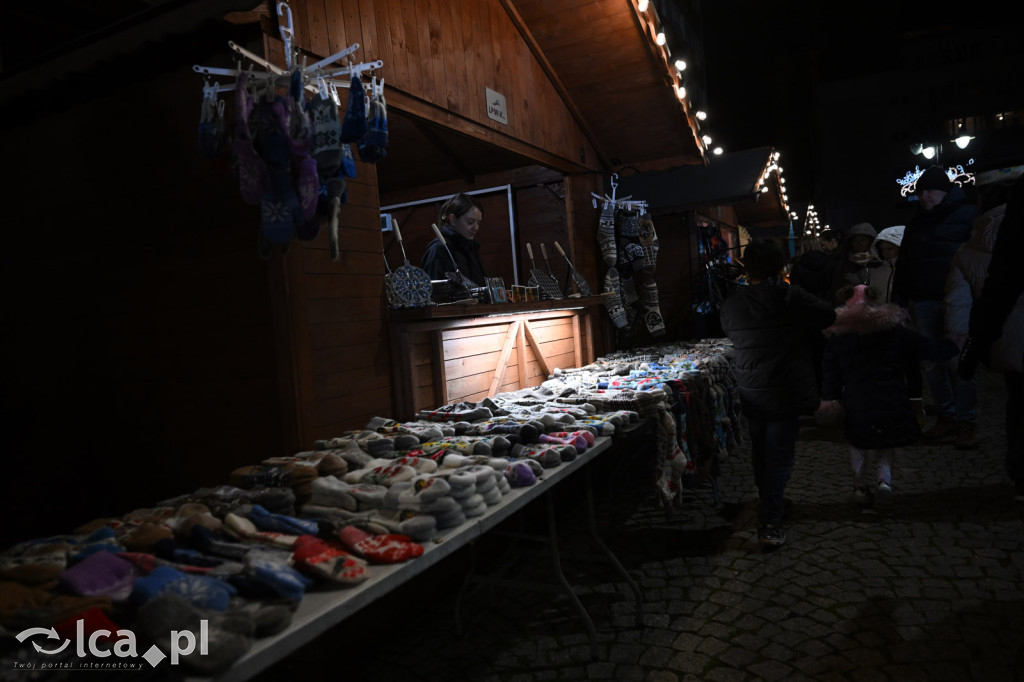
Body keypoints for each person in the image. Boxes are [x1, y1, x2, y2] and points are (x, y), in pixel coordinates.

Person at [720, 238, 837, 547]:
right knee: (780, 454)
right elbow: (828, 315)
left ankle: (769, 503)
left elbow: (729, 330)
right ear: (779, 266)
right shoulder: (789, 296)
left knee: (761, 452)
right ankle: (770, 519)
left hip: (751, 387)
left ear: (747, 267)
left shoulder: (733, 303)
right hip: (786, 389)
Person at [891, 165, 978, 443]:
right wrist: (900, 301)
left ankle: (966, 421)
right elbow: (905, 264)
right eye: (921, 191)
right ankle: (947, 415)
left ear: (944, 190)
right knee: (931, 363)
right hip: (923, 300)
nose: (924, 196)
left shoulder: (967, 216)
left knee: (959, 360)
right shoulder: (917, 222)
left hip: (957, 300)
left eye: (930, 190)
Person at [818, 284, 922, 505]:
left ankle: (859, 486)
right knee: (886, 442)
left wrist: (830, 399)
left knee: (857, 442)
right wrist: (915, 395)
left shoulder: (839, 336)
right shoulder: (894, 330)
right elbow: (912, 363)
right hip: (891, 394)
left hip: (857, 397)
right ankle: (884, 481)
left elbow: (831, 372)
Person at [951, 176, 1024, 481]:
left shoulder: (972, 245)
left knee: (1020, 403)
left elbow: (995, 290)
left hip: (1013, 336)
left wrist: (971, 342)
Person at [421, 193, 486, 286]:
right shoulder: (439, 249)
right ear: (453, 220)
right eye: (470, 222)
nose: (475, 228)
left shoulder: (471, 249)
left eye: (478, 223)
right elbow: (435, 293)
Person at [829, 222, 881, 299]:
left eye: (863, 240)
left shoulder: (880, 263)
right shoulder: (844, 264)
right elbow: (836, 290)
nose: (859, 243)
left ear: (871, 241)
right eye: (855, 240)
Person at [790, 235, 834, 303]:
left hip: (805, 305)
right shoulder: (829, 261)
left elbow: (795, 289)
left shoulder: (797, 265)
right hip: (826, 303)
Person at [868, 225, 904, 303]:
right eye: (882, 250)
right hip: (879, 313)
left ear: (900, 247)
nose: (885, 253)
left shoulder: (909, 269)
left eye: (890, 248)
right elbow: (872, 297)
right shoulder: (877, 271)